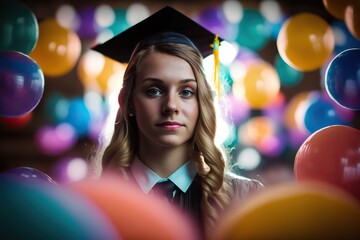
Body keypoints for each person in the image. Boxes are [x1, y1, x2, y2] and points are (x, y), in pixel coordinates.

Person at [90, 6, 264, 239]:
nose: (171, 105)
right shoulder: (92, 206)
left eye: (186, 92)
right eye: (154, 90)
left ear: (202, 102)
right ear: (128, 102)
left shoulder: (246, 199)